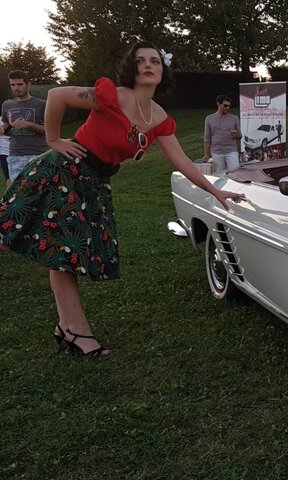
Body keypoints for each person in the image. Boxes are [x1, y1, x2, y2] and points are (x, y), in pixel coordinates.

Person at [0, 41, 244, 357]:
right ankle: (77, 332)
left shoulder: (159, 118)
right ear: (132, 68)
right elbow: (58, 96)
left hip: (94, 183)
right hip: (64, 171)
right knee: (62, 253)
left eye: (155, 61)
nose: (148, 65)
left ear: (162, 70)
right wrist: (53, 139)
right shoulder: (112, 95)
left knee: (65, 254)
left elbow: (182, 161)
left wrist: (215, 190)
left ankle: (67, 328)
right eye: (140, 60)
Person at [2, 70, 49, 182]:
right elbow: (7, 129)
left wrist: (29, 125)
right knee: (18, 195)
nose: (16, 88)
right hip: (15, 155)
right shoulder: (7, 105)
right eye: (12, 85)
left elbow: (49, 130)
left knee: (40, 192)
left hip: (39, 154)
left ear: (28, 85)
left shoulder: (42, 104)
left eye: (19, 84)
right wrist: (4, 130)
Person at [203, 95, 241, 172]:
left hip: (231, 151)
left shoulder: (234, 118)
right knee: (219, 176)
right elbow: (207, 138)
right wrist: (206, 154)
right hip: (216, 152)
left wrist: (236, 134)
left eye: (229, 106)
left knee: (236, 173)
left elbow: (240, 136)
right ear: (218, 104)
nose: (227, 108)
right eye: (225, 105)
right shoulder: (209, 119)